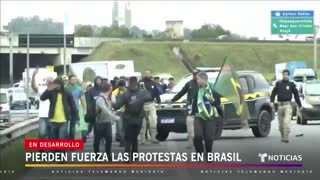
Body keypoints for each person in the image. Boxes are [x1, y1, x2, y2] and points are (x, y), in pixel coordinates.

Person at [113, 76, 151, 163]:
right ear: (137, 82)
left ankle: (127, 158)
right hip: (139, 119)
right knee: (134, 137)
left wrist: (111, 102)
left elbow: (116, 106)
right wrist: (144, 88)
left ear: (129, 83)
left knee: (128, 139)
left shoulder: (125, 94)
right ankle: (135, 156)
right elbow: (150, 97)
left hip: (128, 119)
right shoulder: (142, 93)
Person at [192, 72, 223, 161]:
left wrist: (212, 100)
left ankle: (209, 154)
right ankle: (199, 154)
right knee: (197, 136)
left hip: (210, 117)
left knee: (209, 137)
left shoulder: (213, 90)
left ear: (203, 79)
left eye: (198, 79)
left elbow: (218, 103)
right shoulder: (196, 89)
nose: (197, 81)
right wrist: (192, 113)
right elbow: (194, 101)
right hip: (198, 116)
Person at [40, 77, 79, 141]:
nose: (57, 85)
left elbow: (73, 106)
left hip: (64, 121)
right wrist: (48, 89)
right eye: (56, 84)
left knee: (62, 139)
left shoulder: (67, 93)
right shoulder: (51, 92)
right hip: (53, 120)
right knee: (54, 140)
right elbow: (42, 98)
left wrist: (77, 118)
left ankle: (62, 151)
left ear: (62, 84)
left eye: (59, 84)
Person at [270, 69, 302, 143]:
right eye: (284, 74)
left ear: (288, 75)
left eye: (286, 74)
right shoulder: (278, 84)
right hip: (280, 106)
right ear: (282, 75)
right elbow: (273, 94)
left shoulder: (291, 84)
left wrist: (300, 105)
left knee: (286, 122)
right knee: (281, 125)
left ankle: (286, 137)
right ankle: (283, 136)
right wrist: (271, 101)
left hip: (287, 105)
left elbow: (296, 96)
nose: (285, 75)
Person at [171, 69, 199, 149]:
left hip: (201, 110)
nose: (195, 76)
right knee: (190, 129)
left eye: (196, 74)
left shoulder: (204, 84)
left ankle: (199, 143)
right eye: (194, 74)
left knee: (199, 131)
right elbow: (181, 93)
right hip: (190, 110)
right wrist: (173, 100)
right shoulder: (189, 84)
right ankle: (190, 143)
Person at [94, 82, 120, 160]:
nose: (111, 89)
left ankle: (108, 155)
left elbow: (112, 106)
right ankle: (97, 155)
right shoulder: (100, 99)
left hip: (107, 122)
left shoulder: (108, 97)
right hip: (99, 122)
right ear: (108, 89)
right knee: (97, 140)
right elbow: (105, 110)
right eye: (111, 88)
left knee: (109, 139)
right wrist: (114, 117)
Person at [139, 70, 161, 144]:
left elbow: (156, 93)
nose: (147, 74)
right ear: (143, 74)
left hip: (151, 104)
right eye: (146, 73)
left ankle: (153, 137)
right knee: (143, 123)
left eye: (148, 73)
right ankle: (142, 139)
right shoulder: (140, 83)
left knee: (153, 121)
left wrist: (159, 101)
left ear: (150, 74)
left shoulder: (153, 83)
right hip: (142, 105)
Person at [31, 69, 54, 140]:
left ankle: (51, 149)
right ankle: (41, 148)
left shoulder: (56, 90)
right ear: (46, 82)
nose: (50, 83)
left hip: (53, 116)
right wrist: (33, 76)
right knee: (42, 133)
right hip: (43, 116)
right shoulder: (42, 89)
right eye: (49, 82)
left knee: (51, 135)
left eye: (51, 82)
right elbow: (34, 86)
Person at [65, 74, 87, 140]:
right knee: (65, 128)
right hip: (65, 110)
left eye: (75, 79)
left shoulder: (79, 89)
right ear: (69, 80)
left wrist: (85, 110)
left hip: (74, 110)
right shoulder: (65, 88)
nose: (74, 81)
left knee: (72, 127)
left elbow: (83, 100)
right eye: (72, 79)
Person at [111, 79, 127, 147]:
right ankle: (122, 141)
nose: (122, 88)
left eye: (123, 86)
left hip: (127, 111)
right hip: (119, 112)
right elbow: (113, 102)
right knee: (120, 127)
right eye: (120, 87)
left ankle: (126, 140)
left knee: (126, 127)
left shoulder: (127, 91)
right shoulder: (114, 92)